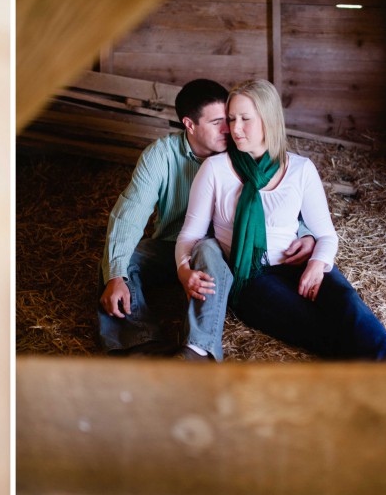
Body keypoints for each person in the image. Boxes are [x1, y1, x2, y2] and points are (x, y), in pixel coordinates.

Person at [176, 79, 386, 360]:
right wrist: (182, 270)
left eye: (245, 119)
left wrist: (317, 265)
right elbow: (190, 234)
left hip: (297, 262)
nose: (234, 129)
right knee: (311, 325)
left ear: (269, 120)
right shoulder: (215, 169)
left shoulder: (300, 169)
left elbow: (327, 235)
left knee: (348, 303)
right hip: (252, 278)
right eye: (232, 119)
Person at [99, 79, 316, 361]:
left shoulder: (244, 149)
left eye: (228, 119)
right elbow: (129, 215)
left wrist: (307, 232)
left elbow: (281, 201)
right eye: (218, 123)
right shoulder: (161, 155)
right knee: (121, 260)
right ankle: (138, 343)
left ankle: (198, 351)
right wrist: (116, 275)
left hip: (230, 249)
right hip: (174, 245)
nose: (231, 129)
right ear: (190, 125)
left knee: (207, 247)